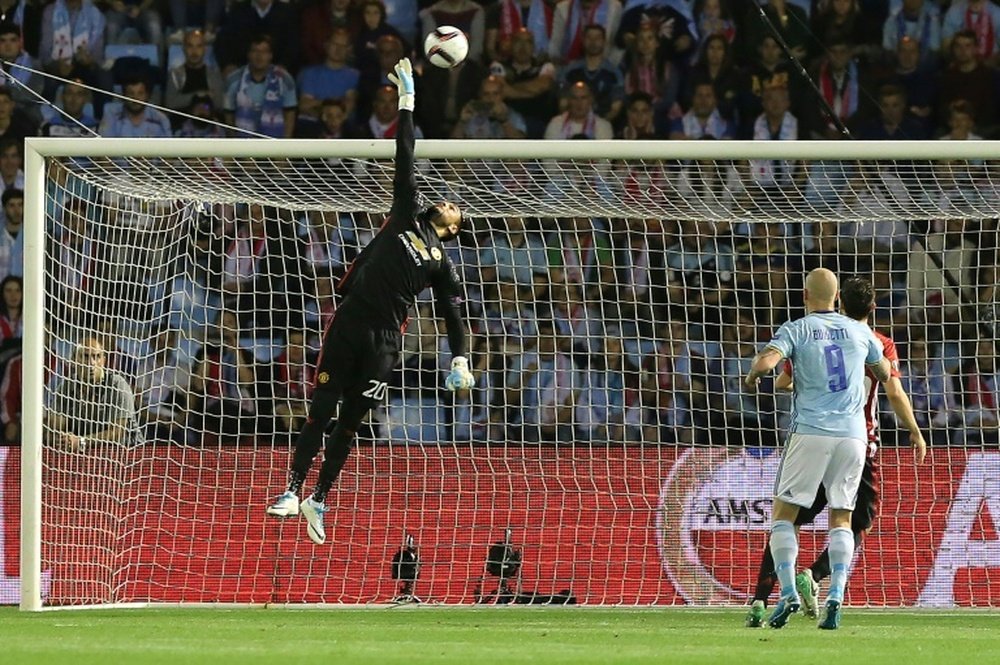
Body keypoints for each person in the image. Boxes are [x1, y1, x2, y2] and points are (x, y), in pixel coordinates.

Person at [266, 58, 474, 546]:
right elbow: (405, 154)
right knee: (321, 407)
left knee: (352, 422)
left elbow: (453, 315)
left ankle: (320, 496)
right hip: (349, 320)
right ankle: (292, 490)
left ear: (456, 226)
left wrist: (461, 357)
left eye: (453, 205)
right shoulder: (406, 215)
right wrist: (408, 102)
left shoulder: (443, 263)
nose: (445, 201)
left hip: (385, 340)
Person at [744, 276, 927, 628]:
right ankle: (835, 597)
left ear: (805, 295)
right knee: (845, 520)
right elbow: (888, 377)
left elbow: (770, 368)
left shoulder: (798, 329)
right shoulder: (871, 338)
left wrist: (754, 375)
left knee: (785, 515)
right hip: (857, 438)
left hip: (811, 432)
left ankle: (778, 594)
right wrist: (914, 430)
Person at [45, 337, 143, 451]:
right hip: (91, 453)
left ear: (104, 361)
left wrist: (81, 441)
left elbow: (117, 433)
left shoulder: (118, 384)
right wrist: (62, 438)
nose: (92, 363)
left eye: (97, 357)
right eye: (86, 356)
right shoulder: (66, 387)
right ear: (73, 360)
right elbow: (54, 429)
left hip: (131, 454)